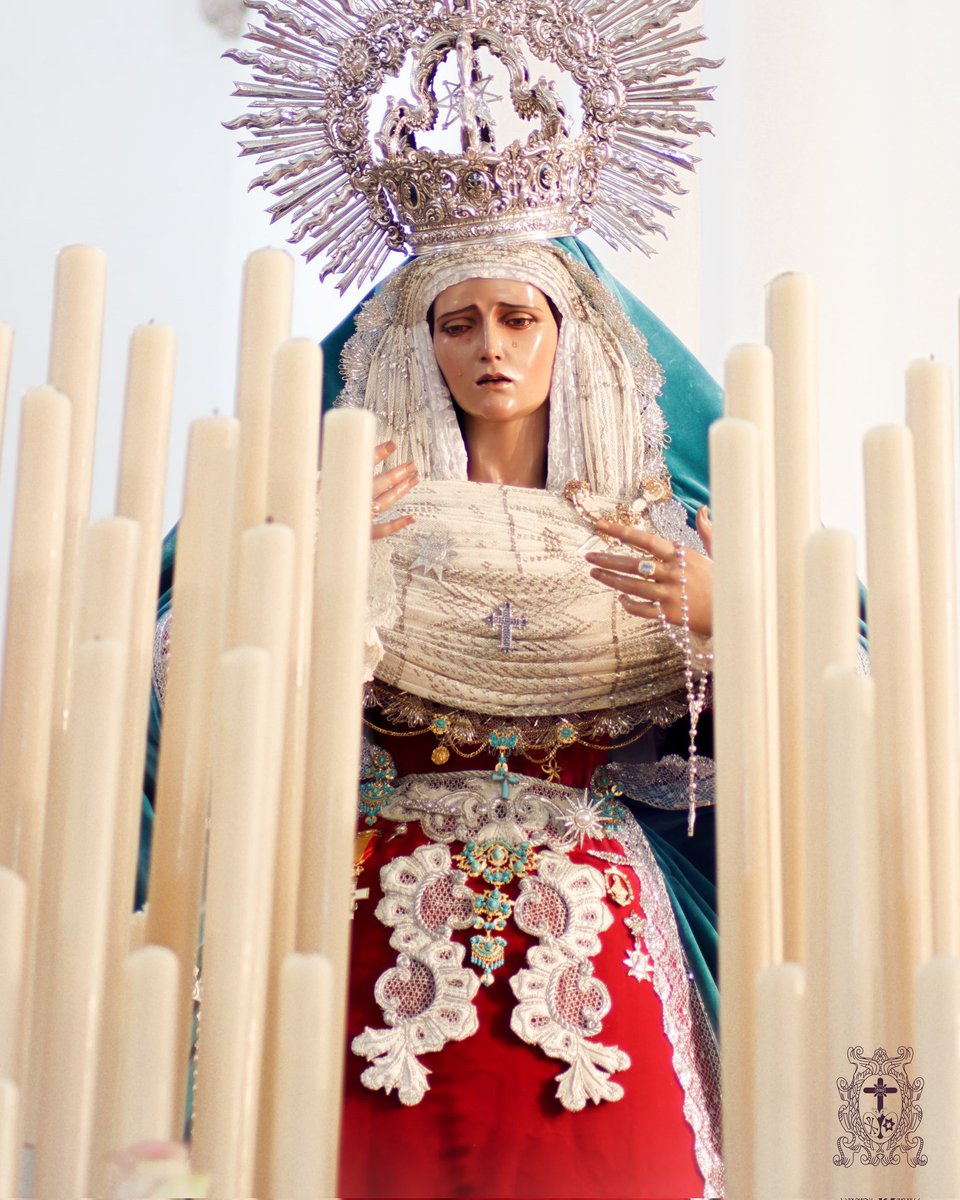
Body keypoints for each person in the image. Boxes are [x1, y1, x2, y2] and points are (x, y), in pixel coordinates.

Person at [326, 237, 723, 1198]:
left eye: (518, 319)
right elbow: (197, 683)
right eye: (458, 324)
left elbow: (833, 710)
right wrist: (307, 574)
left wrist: (727, 622)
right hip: (387, 902)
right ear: (423, 347)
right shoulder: (360, 524)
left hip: (596, 915)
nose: (489, 349)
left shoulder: (652, 534)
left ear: (566, 337)